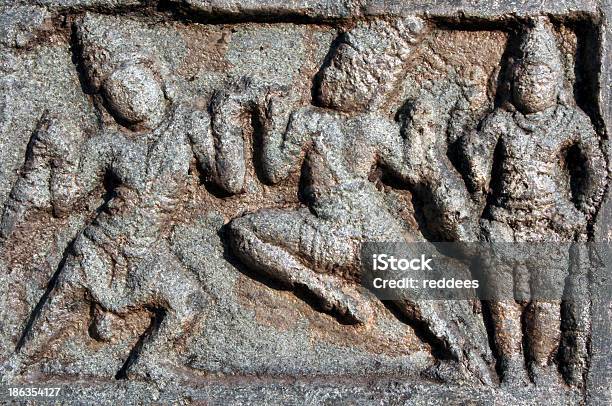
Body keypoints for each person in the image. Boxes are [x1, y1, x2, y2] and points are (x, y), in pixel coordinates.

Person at [225, 17, 493, 383]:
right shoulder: (333, 122)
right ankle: (326, 291)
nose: (326, 75)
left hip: (354, 232)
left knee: (423, 303)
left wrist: (267, 124)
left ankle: (467, 358)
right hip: (331, 230)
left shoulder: (354, 125)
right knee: (244, 231)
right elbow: (275, 174)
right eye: (330, 65)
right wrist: (268, 121)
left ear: (367, 82)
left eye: (342, 67)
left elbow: (413, 172)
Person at [1, 15, 242, 379]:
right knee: (56, 307)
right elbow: (66, 202)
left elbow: (229, 180)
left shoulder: (188, 127)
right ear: (106, 102)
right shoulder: (107, 144)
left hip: (146, 251)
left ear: (156, 75)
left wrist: (225, 115)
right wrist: (56, 154)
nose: (129, 96)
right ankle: (15, 369)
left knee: (188, 302)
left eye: (134, 80)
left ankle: (146, 361)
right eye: (115, 90)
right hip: (99, 247)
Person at [460, 17, 606, 385]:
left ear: (557, 83)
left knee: (545, 302)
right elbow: (477, 173)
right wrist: (469, 144)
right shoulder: (499, 121)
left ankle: (541, 367)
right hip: (502, 220)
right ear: (511, 82)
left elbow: (596, 170)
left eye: (542, 79)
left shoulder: (571, 121)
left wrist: (579, 212)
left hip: (549, 222)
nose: (533, 86)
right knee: (501, 298)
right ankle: (509, 366)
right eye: (525, 78)